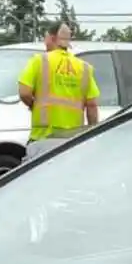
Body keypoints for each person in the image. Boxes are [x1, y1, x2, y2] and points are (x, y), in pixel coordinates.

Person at [17, 20, 99, 163]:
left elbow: (24, 92)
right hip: (72, 140)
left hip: (43, 137)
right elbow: (91, 105)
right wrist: (91, 134)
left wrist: (32, 105)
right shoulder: (84, 68)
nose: (44, 42)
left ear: (52, 38)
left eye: (45, 37)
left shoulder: (39, 61)